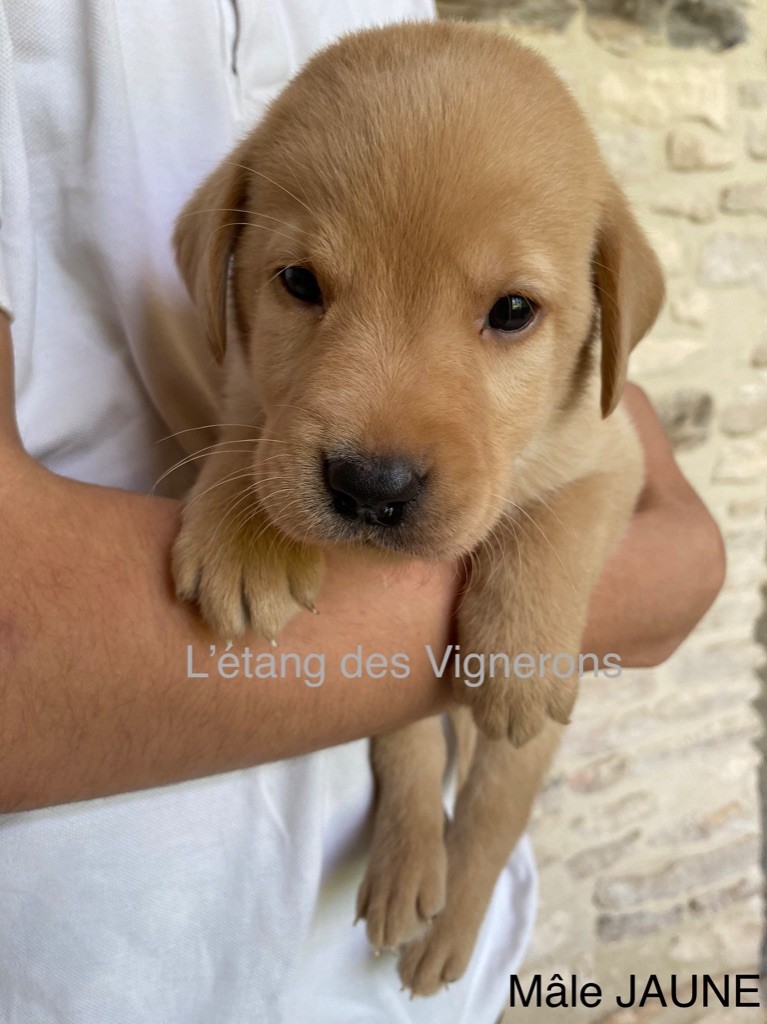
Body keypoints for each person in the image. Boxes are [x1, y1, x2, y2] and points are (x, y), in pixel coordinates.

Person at [0, 1, 725, 1021]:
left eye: (509, 311)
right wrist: (239, 477)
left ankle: (471, 866)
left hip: (384, 976)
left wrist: (480, 841)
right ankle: (410, 813)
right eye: (302, 283)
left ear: (604, 314)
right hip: (109, 960)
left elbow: (607, 460)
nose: (376, 451)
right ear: (222, 277)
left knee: (515, 698)